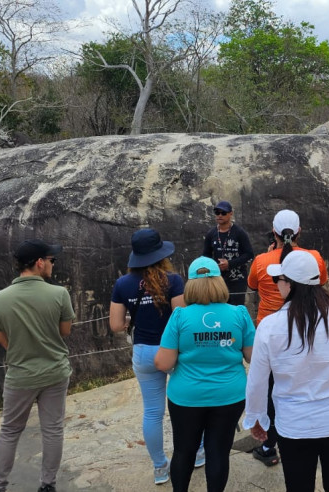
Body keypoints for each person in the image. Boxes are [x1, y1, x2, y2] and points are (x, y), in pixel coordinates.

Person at [244, 251, 329, 492]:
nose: (276, 285)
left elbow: (257, 381)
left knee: (298, 487)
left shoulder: (269, 327)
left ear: (291, 284)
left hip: (293, 426)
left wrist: (257, 417)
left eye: (279, 280)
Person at [154, 257, 255, 492]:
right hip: (230, 395)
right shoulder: (239, 314)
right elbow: (252, 356)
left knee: (184, 451)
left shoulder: (179, 317)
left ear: (191, 285)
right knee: (219, 451)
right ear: (219, 282)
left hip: (186, 397)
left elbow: (163, 362)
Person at [0, 239, 76, 492]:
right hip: (55, 372)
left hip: (20, 374)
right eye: (51, 260)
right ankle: (47, 485)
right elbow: (65, 331)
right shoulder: (59, 293)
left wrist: (21, 349)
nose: (52, 264)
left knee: (9, 431)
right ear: (39, 263)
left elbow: (1, 337)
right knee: (52, 430)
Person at [245, 209, 328, 466]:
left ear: (274, 232)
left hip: (269, 330)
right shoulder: (313, 257)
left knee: (271, 389)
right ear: (299, 231)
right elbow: (320, 281)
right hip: (306, 325)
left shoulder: (261, 261)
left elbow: (253, 285)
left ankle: (269, 446)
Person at [110, 228, 188, 485]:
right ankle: (197, 453)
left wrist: (136, 317)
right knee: (188, 407)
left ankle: (159, 468)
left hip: (143, 351)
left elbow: (115, 324)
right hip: (172, 349)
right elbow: (181, 319)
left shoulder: (122, 284)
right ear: (161, 254)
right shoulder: (174, 280)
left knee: (153, 412)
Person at [202, 200, 254, 306]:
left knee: (236, 310)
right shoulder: (211, 234)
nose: (220, 215)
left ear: (231, 213)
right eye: (217, 213)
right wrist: (214, 266)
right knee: (219, 309)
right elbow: (205, 256)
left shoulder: (239, 232)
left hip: (237, 280)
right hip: (217, 279)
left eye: (223, 213)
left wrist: (230, 264)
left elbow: (249, 254)